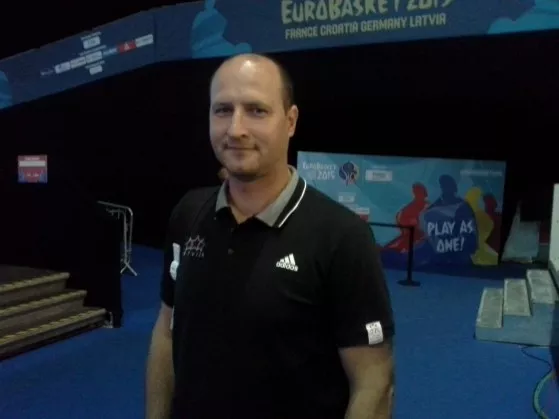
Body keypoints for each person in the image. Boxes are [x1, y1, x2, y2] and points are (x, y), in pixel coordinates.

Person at [146, 53, 394, 419]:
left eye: (256, 111)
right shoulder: (188, 213)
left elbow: (373, 380)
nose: (236, 129)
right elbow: (167, 331)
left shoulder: (342, 237)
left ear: (290, 121)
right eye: (222, 110)